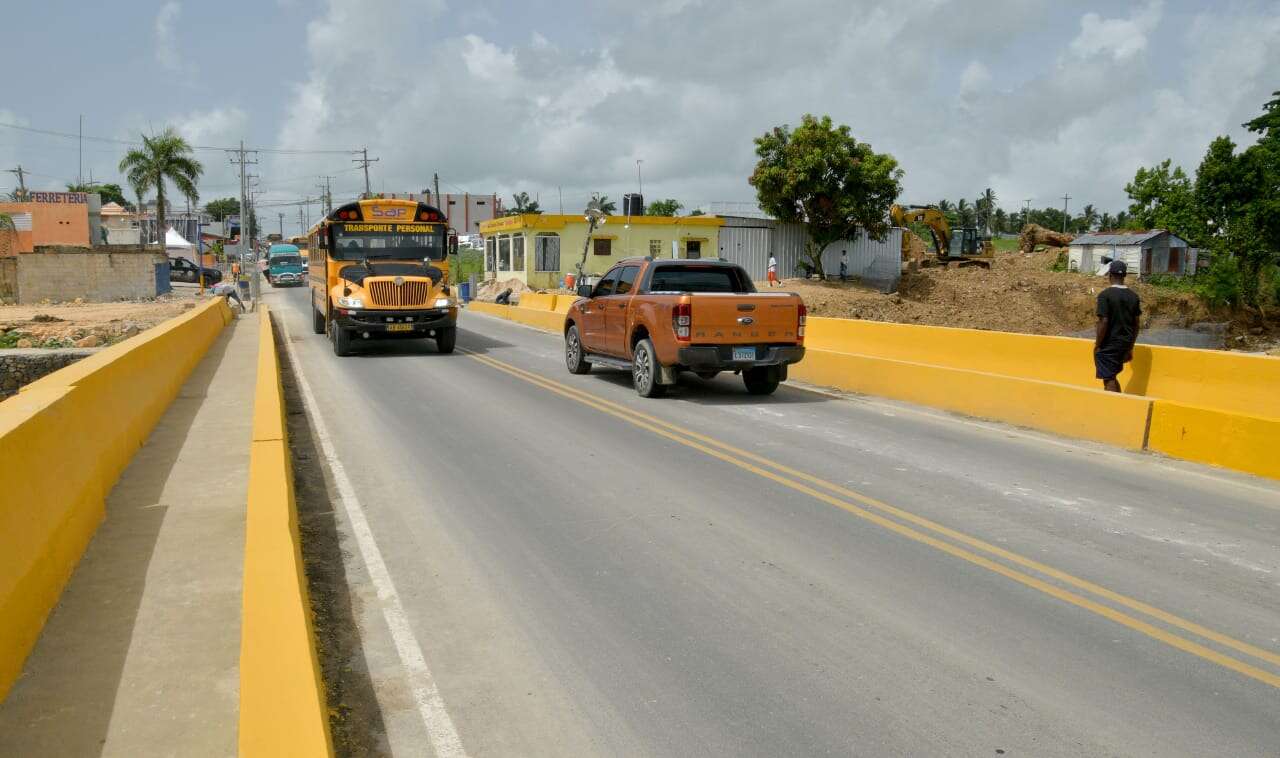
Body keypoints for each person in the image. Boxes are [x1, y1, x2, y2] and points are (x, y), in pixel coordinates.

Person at [1094, 259, 1141, 392]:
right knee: (1112, 376)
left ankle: (1113, 408)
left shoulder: (1105, 295)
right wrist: (1130, 347)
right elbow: (1136, 324)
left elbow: (1104, 321)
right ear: (1124, 276)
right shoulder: (1133, 296)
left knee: (1108, 378)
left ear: (1110, 275)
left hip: (1110, 344)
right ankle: (1119, 402)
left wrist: (1097, 344)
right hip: (1125, 343)